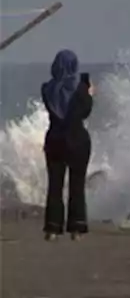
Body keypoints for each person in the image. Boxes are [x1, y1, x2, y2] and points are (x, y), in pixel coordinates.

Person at [41, 49, 94, 240]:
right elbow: (86, 111)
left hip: (55, 140)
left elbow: (53, 105)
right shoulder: (80, 89)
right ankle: (76, 229)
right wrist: (89, 92)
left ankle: (52, 229)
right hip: (78, 140)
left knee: (54, 186)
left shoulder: (47, 88)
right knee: (77, 185)